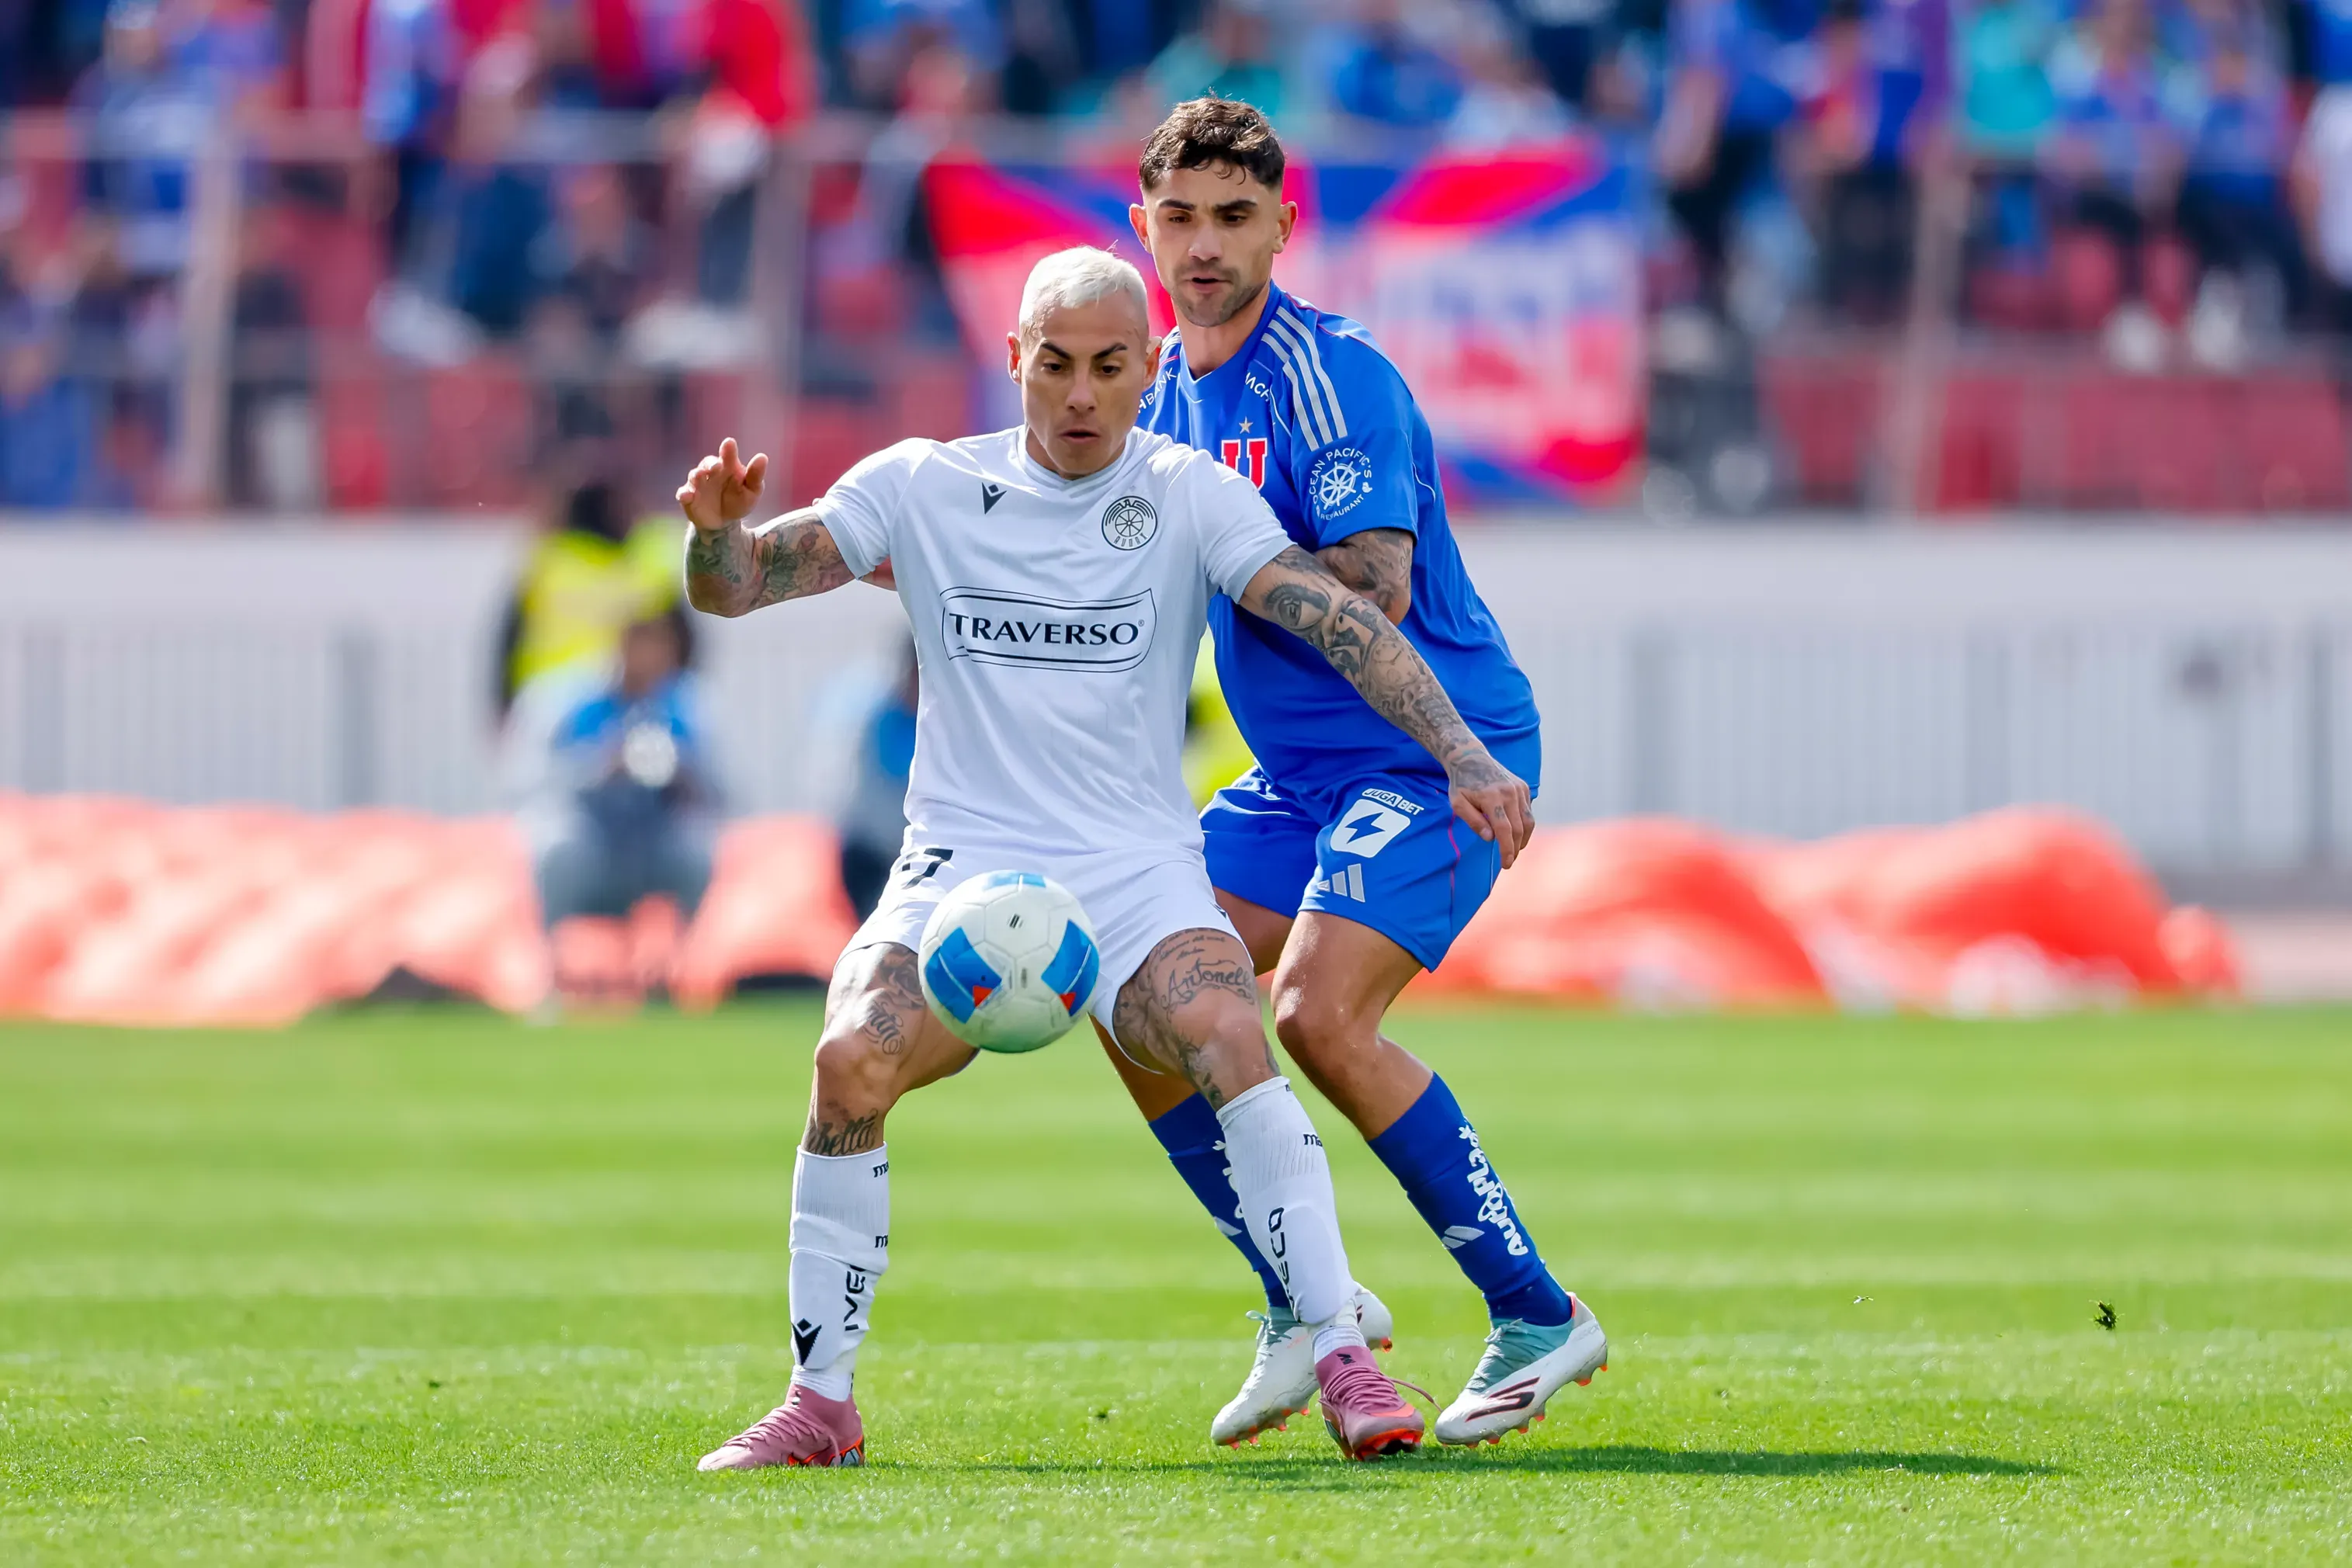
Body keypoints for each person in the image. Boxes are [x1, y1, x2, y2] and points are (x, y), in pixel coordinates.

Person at [679, 246, 1534, 1469]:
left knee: (1233, 1036)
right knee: (846, 1061)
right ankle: (821, 1404)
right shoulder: (923, 483)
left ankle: (1340, 1348)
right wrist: (715, 539)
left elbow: (1339, 616)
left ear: (1147, 371)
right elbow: (743, 583)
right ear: (1016, 359)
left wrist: (1463, 752)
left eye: (1109, 367)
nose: (1080, 394)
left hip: (1133, 870)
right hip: (960, 867)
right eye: (1057, 364)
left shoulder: (1187, 493)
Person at [1123, 97, 1607, 1451]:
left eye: (1234, 216)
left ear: (1287, 223)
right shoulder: (1156, 392)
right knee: (1142, 998)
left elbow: (1377, 583)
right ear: (1143, 227)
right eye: (1182, 217)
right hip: (1296, 782)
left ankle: (1536, 1311)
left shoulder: (1329, 374)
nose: (1206, 243)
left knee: (1316, 1015)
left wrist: (1228, 554)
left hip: (1432, 751)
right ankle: (1299, 1297)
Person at [503, 608, 721, 1005]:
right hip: (591, 840)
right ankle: (550, 976)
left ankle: (674, 975)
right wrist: (601, 768)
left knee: (696, 850)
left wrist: (685, 777)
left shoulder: (685, 705)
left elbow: (724, 794)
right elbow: (530, 784)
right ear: (622, 646)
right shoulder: (568, 702)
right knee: (555, 847)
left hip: (651, 841)